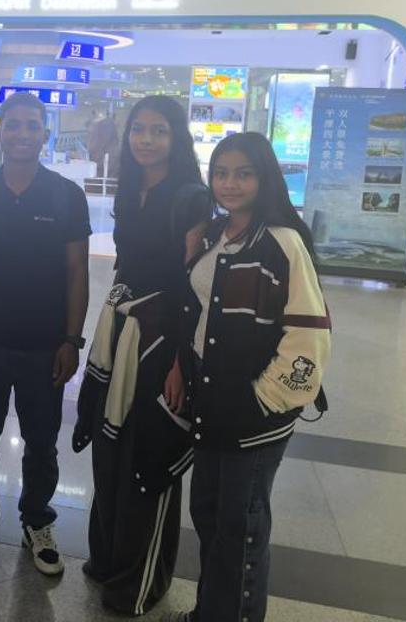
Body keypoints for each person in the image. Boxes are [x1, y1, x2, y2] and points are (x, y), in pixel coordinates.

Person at [171, 132, 331, 622]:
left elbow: (309, 334)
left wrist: (262, 398)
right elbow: (197, 310)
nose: (230, 183)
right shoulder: (217, 233)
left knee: (241, 529)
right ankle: (209, 612)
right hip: (210, 401)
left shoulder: (282, 242)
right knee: (210, 516)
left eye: (243, 174)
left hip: (254, 412)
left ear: (265, 178)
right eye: (221, 173)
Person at [73, 96, 209, 615]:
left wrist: (182, 363)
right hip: (120, 329)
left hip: (163, 340)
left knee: (149, 455)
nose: (146, 139)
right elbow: (125, 266)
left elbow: (197, 289)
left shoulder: (191, 198)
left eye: (158, 130)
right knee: (112, 446)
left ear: (177, 138)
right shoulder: (131, 190)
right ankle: (109, 557)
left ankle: (143, 578)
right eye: (138, 129)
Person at [0, 91, 91, 579]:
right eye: (12, 125)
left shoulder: (65, 196)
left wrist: (72, 340)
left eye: (32, 126)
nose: (22, 134)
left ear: (45, 134)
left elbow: (77, 270)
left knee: (42, 443)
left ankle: (37, 521)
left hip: (44, 347)